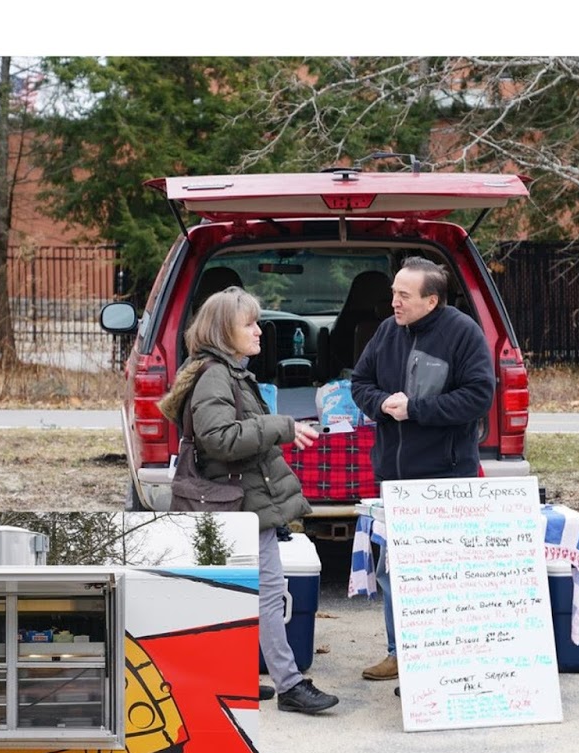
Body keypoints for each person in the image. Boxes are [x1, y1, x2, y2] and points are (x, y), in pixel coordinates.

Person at [160, 286, 338, 715]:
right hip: (236, 504)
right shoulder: (216, 376)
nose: (260, 330)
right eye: (250, 324)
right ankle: (290, 685)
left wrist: (280, 429)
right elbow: (220, 439)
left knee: (239, 595)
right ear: (224, 332)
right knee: (268, 593)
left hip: (239, 501)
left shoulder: (228, 373)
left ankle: (227, 679)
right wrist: (281, 426)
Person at [350, 257, 497, 683]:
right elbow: (359, 383)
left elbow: (478, 396)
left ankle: (445, 661)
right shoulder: (386, 331)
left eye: (404, 295)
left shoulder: (463, 334)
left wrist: (416, 409)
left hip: (445, 478)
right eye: (393, 293)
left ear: (431, 300)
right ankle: (398, 653)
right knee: (393, 571)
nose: (394, 302)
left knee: (444, 576)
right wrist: (380, 403)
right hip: (394, 479)